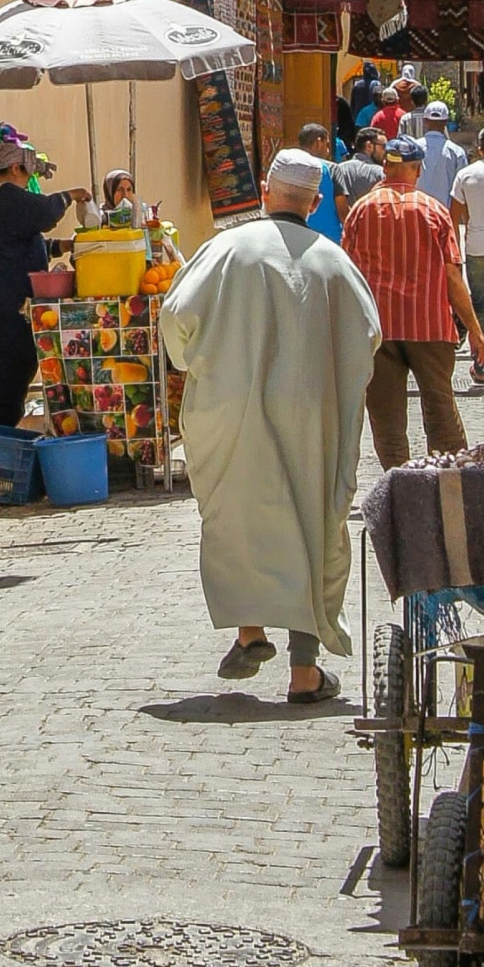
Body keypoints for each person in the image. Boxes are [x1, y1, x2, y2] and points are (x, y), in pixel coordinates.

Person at [161, 149, 381, 702]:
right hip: (313, 413)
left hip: (232, 409)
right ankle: (305, 673)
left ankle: (250, 632)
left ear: (265, 190)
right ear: (315, 201)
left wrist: (195, 362)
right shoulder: (333, 261)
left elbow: (176, 316)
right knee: (312, 521)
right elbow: (369, 335)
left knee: (240, 518)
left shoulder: (226, 249)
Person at [343, 137, 484, 468]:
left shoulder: (361, 211)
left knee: (387, 418)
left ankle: (397, 485)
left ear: (385, 167)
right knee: (441, 411)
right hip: (430, 326)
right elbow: (452, 276)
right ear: (417, 170)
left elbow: (347, 273)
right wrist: (475, 329)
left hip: (379, 329)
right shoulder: (433, 210)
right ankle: (452, 483)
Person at [0, 126, 92, 427]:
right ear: (15, 168)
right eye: (27, 174)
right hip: (6, 303)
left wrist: (62, 246)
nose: (29, 182)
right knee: (4, 373)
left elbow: (19, 244)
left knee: (4, 373)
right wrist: (73, 195)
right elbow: (45, 213)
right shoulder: (6, 196)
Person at [452, 126, 484, 385]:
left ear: (479, 149)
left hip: (476, 246)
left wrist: (454, 250)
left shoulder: (465, 174)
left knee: (477, 305)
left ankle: (481, 365)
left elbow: (453, 216)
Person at [417, 100, 468, 210]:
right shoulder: (457, 152)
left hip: (418, 211)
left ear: (425, 121)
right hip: (445, 212)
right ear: (446, 122)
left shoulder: (414, 149)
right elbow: (463, 188)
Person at [298, 123, 342, 243]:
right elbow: (342, 208)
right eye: (327, 144)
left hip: (297, 237)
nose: (328, 150)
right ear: (319, 143)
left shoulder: (288, 167)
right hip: (329, 240)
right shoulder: (332, 169)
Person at [332, 127, 386, 221]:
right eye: (384, 146)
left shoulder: (338, 169)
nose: (386, 151)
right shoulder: (380, 172)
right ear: (369, 146)